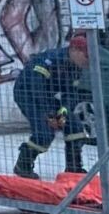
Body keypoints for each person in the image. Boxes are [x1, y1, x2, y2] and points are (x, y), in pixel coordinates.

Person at [12, 35, 90, 179]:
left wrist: (63, 111)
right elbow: (36, 88)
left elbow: (71, 93)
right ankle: (23, 165)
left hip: (48, 96)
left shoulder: (76, 67)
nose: (88, 61)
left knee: (76, 128)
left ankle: (74, 168)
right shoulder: (49, 60)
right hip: (28, 94)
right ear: (74, 50)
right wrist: (49, 115)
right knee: (44, 133)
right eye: (86, 56)